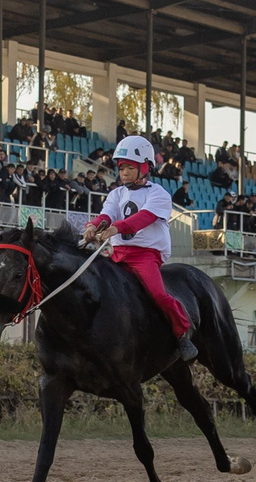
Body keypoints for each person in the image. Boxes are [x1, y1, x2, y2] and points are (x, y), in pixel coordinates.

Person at [79, 134, 196, 362]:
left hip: (145, 255)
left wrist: (116, 229)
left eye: (129, 168)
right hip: (117, 254)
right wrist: (93, 226)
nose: (123, 173)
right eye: (121, 168)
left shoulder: (158, 194)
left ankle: (182, 334)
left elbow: (144, 218)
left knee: (159, 295)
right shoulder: (116, 193)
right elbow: (107, 214)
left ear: (144, 167)